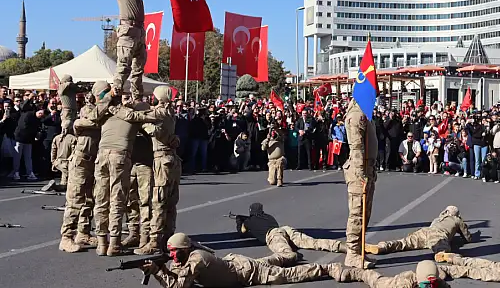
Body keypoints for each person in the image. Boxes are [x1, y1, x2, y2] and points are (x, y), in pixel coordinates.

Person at [88, 87, 160, 256]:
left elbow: (90, 117)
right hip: (119, 157)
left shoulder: (105, 113)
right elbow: (152, 124)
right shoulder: (134, 115)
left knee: (101, 200)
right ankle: (114, 243)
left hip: (102, 156)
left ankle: (101, 243)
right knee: (117, 200)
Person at [141, 233, 338, 287]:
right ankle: (290, 256)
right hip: (238, 263)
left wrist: (158, 271)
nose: (172, 256)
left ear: (184, 249)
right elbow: (175, 278)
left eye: (174, 252)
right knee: (276, 260)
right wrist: (161, 269)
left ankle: (327, 268)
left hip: (247, 273)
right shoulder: (183, 258)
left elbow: (179, 286)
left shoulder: (197, 258)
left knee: (288, 275)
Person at [113, 0, 164, 101]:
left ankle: (137, 98)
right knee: (123, 67)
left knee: (138, 70)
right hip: (127, 31)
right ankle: (115, 95)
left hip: (139, 31)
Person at [134, 85, 182, 254]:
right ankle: (168, 238)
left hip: (162, 160)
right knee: (170, 202)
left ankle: (154, 242)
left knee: (159, 201)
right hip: (171, 160)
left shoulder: (160, 113)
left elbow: (139, 116)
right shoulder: (169, 112)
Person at [230, 203, 345, 267]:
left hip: (273, 234)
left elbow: (242, 232)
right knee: (312, 242)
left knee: (286, 254)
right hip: (284, 229)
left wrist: (239, 221)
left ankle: (294, 256)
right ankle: (340, 246)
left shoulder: (250, 221)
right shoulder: (268, 216)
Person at [58, 87, 103, 253]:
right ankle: (66, 237)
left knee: (89, 199)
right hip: (80, 162)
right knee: (75, 199)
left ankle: (83, 232)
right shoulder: (87, 112)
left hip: (94, 162)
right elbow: (92, 119)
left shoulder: (103, 113)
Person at [343, 98, 377, 268]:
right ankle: (352, 253)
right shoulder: (357, 115)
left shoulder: (366, 113)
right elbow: (356, 147)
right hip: (359, 170)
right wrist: (361, 174)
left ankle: (359, 249)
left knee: (365, 213)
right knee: (357, 213)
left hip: (367, 168)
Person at [364, 206, 476, 255]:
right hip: (438, 235)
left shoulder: (438, 218)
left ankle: (382, 247)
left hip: (425, 231)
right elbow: (467, 238)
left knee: (404, 242)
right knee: (442, 248)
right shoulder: (456, 220)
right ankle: (441, 254)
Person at [331, 259, 452, 288]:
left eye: (433, 283)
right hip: (398, 282)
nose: (430, 286)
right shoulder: (402, 284)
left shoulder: (437, 282)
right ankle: (354, 273)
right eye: (426, 285)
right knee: (376, 281)